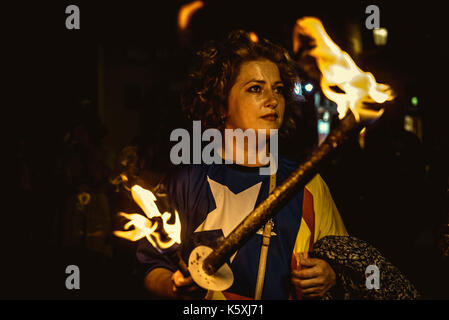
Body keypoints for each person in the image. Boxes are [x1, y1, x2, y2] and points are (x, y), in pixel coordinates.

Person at [136, 30, 348, 300]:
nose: (273, 100)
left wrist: (329, 273)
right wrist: (173, 285)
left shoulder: (307, 183)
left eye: (279, 89)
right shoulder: (185, 180)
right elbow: (151, 266)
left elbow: (344, 260)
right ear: (222, 103)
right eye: (255, 88)